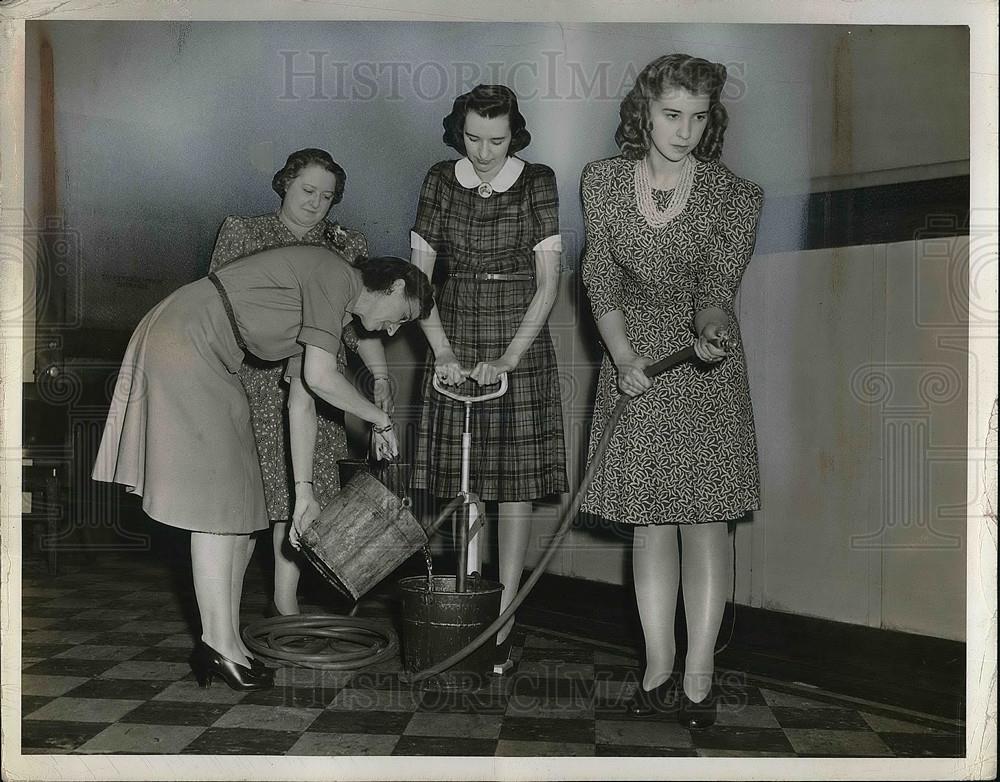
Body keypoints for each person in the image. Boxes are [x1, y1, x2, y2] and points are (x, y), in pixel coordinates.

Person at [93, 250, 433, 690]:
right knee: (217, 507)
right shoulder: (334, 274)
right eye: (400, 317)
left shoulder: (331, 310)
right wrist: (380, 418)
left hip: (207, 351)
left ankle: (225, 640)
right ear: (394, 286)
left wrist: (304, 493)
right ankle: (218, 645)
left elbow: (303, 400)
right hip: (187, 337)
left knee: (242, 502)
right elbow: (322, 376)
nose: (392, 331)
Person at [580, 53, 763, 728]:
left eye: (698, 116)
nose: (683, 130)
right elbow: (600, 277)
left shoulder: (735, 195)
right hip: (629, 358)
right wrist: (623, 355)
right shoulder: (601, 182)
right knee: (649, 522)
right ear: (644, 111)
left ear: (712, 118)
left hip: (701, 367)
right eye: (670, 114)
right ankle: (657, 666)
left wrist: (713, 331)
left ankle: (698, 676)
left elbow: (717, 289)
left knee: (704, 519)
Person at [409, 84, 568, 674]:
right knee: (464, 477)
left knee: (515, 483)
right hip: (450, 324)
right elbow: (419, 278)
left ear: (514, 135)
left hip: (518, 336)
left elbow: (549, 283)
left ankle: (503, 618)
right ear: (459, 131)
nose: (483, 151)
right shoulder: (437, 180)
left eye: (496, 140)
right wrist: (443, 351)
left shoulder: (539, 181)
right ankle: (466, 606)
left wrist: (507, 360)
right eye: (473, 138)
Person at [209, 147, 389, 618]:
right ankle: (222, 616)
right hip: (251, 382)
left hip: (315, 384)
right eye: (307, 190)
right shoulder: (243, 231)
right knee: (247, 502)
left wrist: (381, 375)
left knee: (298, 499)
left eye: (326, 197)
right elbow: (221, 308)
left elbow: (361, 324)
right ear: (284, 183)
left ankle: (284, 604)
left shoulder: (347, 245)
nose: (315, 203)